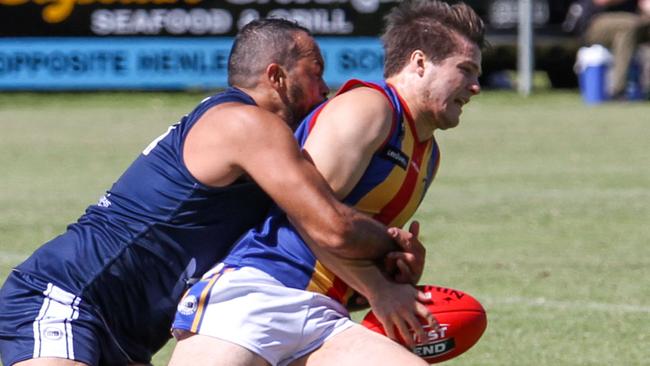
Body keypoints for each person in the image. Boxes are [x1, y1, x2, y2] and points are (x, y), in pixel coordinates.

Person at [0, 19, 424, 366]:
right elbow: (331, 227)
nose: (325, 90)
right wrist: (389, 244)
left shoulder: (254, 133)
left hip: (128, 333)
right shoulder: (248, 124)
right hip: (67, 297)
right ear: (276, 77)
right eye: (314, 75)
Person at [170, 1, 485, 365]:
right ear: (419, 63)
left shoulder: (427, 153)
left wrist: (394, 266)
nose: (476, 86)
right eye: (465, 70)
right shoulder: (370, 107)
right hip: (259, 294)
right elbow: (310, 218)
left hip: (324, 317)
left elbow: (349, 248)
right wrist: (379, 288)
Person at [570, 0, 650, 98]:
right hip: (594, 21)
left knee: (634, 28)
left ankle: (643, 87)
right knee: (630, 26)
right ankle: (618, 89)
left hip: (632, 20)